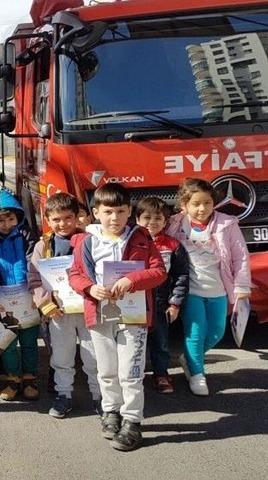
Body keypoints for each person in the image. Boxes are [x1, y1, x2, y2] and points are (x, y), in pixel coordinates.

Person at [69, 183, 166, 452]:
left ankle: (133, 420)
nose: (114, 218)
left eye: (121, 211)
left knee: (130, 372)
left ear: (129, 212)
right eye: (108, 211)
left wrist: (131, 280)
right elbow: (74, 275)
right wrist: (90, 288)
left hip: (133, 315)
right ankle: (111, 411)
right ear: (96, 212)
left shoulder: (142, 238)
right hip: (99, 314)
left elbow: (159, 272)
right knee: (107, 370)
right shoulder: (86, 241)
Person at [166, 178, 250, 396]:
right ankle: (197, 374)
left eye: (207, 203)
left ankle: (188, 359)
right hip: (191, 290)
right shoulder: (174, 224)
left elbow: (240, 257)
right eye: (196, 204)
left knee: (216, 332)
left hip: (219, 289)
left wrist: (242, 285)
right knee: (195, 332)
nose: (202, 208)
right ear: (184, 205)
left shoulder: (227, 224)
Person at [27, 193, 101, 418]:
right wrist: (46, 305)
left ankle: (100, 397)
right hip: (58, 312)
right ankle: (63, 395)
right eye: (56, 219)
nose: (63, 224)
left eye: (68, 218)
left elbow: (99, 272)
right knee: (62, 356)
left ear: (77, 217)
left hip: (87, 308)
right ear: (48, 219)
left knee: (93, 356)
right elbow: (34, 279)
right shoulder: (43, 245)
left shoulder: (90, 240)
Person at [0, 189, 40, 401]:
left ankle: (30, 378)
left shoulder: (26, 236)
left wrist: (37, 293)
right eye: (0, 220)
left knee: (29, 342)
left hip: (27, 297)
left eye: (10, 218)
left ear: (18, 216)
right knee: (7, 343)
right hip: (2, 302)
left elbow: (34, 264)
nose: (6, 224)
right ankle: (12, 379)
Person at [134, 197, 189, 394]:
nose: (152, 222)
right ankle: (134, 376)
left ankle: (161, 374)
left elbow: (181, 275)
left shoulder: (173, 245)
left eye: (158, 218)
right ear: (137, 219)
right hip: (134, 303)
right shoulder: (129, 242)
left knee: (161, 342)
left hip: (160, 303)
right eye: (146, 217)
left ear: (166, 221)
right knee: (134, 343)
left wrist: (175, 303)